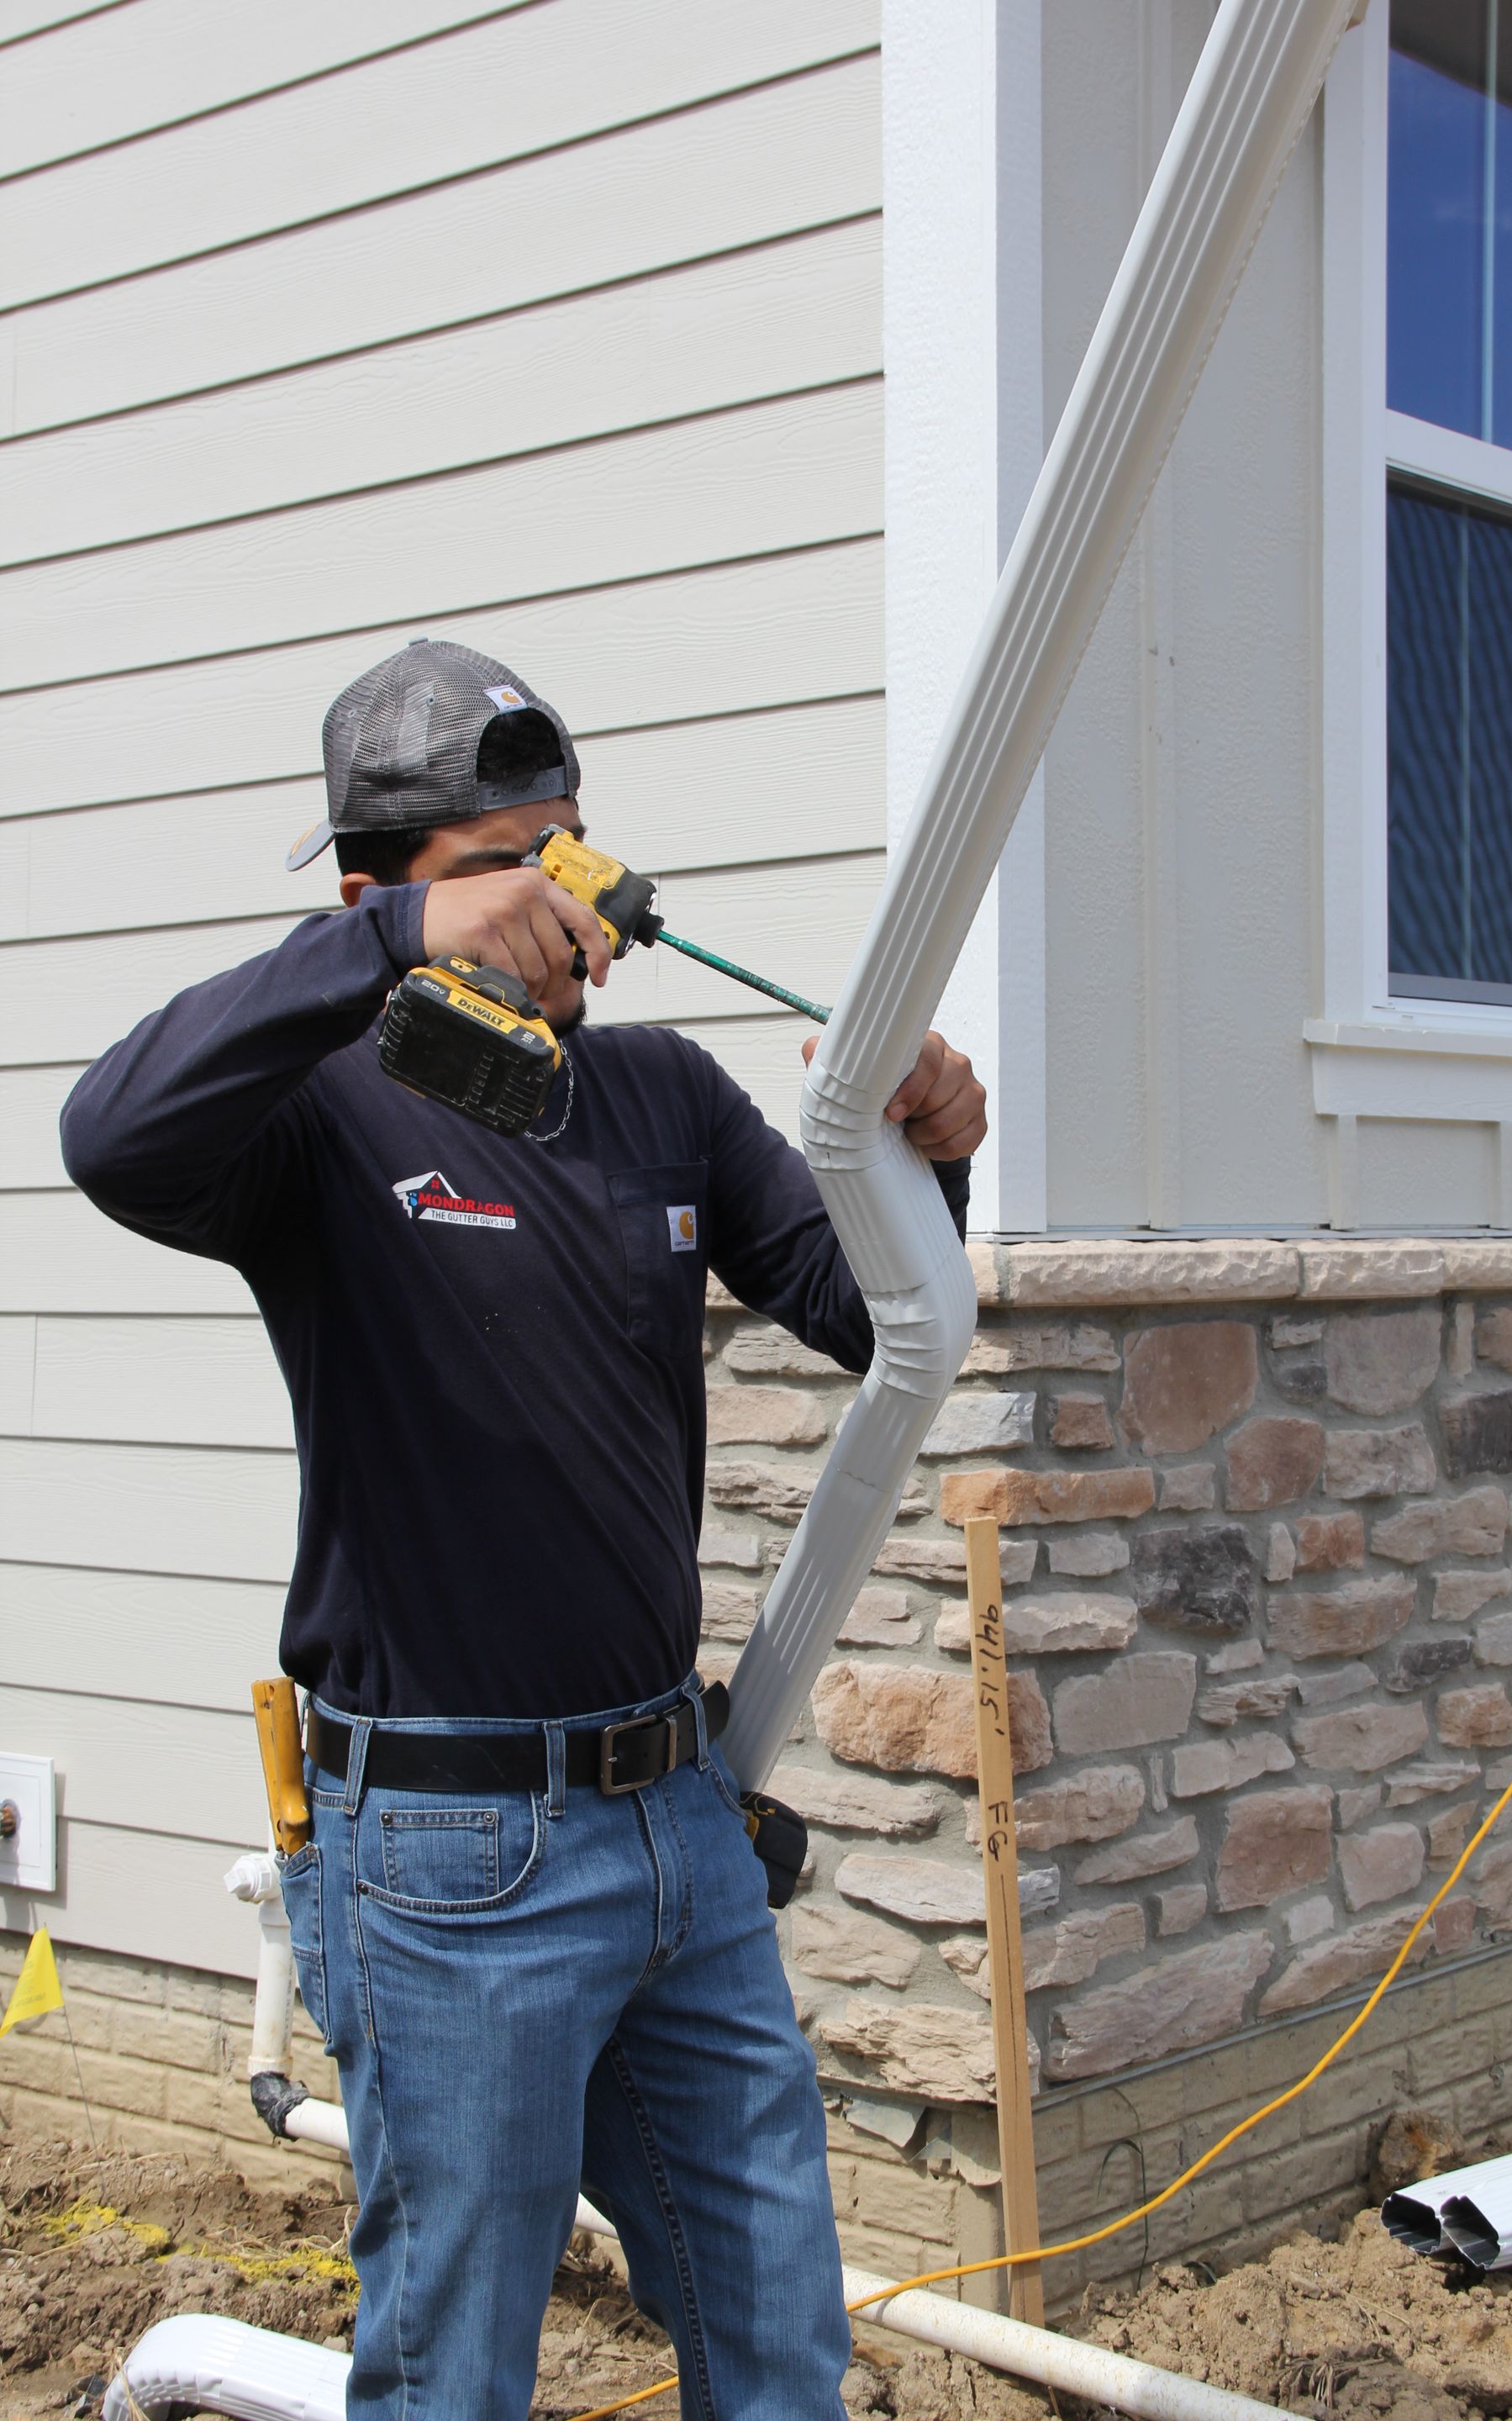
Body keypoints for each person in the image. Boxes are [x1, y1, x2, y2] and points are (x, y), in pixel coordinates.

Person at [61, 638, 988, 2421]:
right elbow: (110, 1134)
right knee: (458, 2378)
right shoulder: (317, 1120)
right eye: (496, 865)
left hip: (678, 1833)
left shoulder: (666, 1102)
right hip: (444, 1862)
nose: (556, 902)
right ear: (373, 896)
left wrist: (928, 1158)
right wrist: (397, 959)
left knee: (781, 2343)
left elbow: (869, 1312)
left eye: (564, 849)